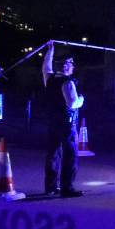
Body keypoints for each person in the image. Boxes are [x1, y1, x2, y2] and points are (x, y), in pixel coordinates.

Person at [42, 45, 84, 197]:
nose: (73, 66)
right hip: (66, 123)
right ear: (66, 66)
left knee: (53, 154)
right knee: (70, 154)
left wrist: (50, 50)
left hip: (52, 122)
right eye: (71, 63)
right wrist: (81, 100)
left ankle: (51, 187)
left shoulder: (49, 78)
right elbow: (72, 103)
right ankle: (67, 188)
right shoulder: (68, 82)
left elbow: (46, 65)